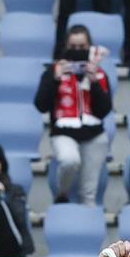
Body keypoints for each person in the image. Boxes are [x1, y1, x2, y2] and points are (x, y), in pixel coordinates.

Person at [35, 24, 113, 208]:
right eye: (73, 47)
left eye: (82, 47)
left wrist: (93, 82)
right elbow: (40, 105)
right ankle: (62, 193)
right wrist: (55, 79)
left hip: (94, 135)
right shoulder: (54, 70)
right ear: (65, 46)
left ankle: (89, 232)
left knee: (88, 194)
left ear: (90, 47)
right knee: (70, 160)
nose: (77, 51)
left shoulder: (99, 73)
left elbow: (104, 110)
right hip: (63, 132)